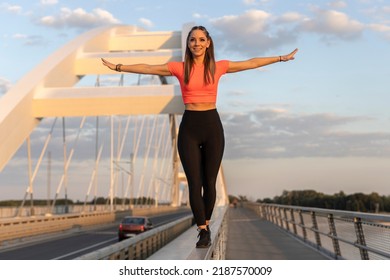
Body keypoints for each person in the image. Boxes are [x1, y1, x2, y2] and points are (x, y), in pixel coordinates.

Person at [102, 25, 298, 248]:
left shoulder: (218, 67)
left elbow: (251, 63)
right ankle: (203, 231)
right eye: (192, 40)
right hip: (189, 128)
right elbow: (148, 68)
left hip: (212, 126)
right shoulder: (179, 68)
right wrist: (119, 67)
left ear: (208, 43)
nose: (196, 43)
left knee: (209, 182)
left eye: (201, 39)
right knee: (195, 184)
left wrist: (282, 58)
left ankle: (206, 221)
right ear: (188, 44)